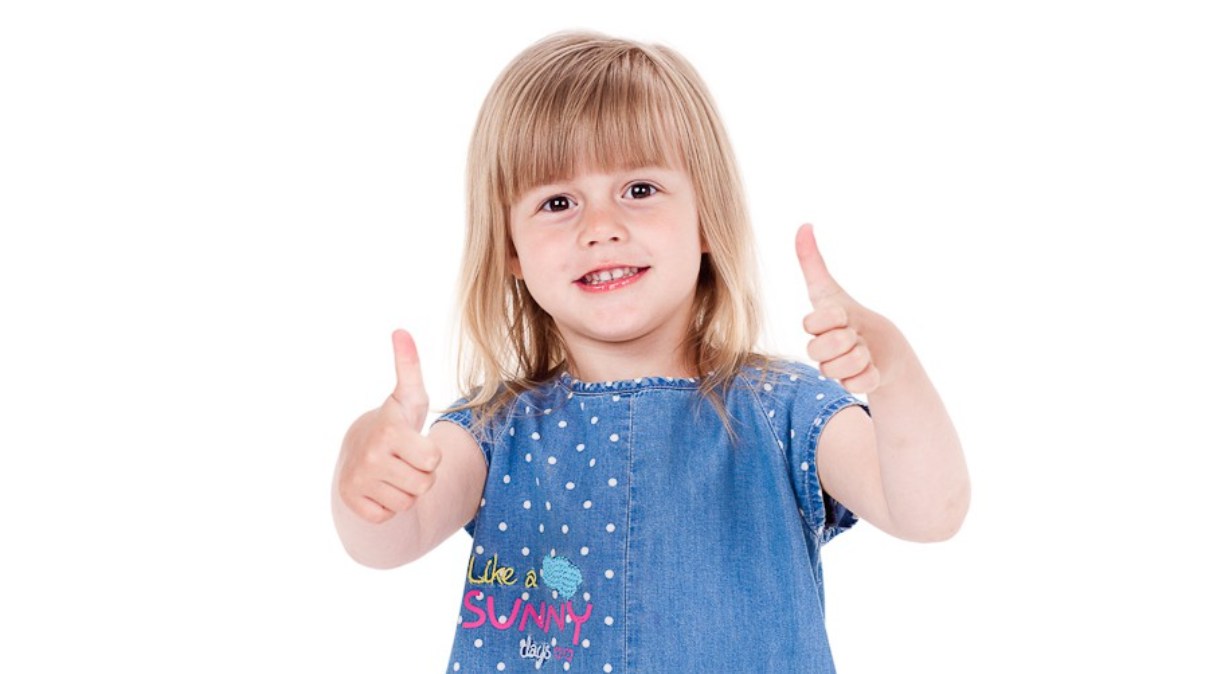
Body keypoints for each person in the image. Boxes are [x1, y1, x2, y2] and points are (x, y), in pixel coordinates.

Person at [331, 31, 969, 673]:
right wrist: (365, 474)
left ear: (707, 216)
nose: (601, 228)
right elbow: (388, 540)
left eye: (639, 189)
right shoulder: (496, 432)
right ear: (511, 250)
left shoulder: (785, 411)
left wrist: (894, 376)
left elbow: (929, 511)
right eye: (558, 202)